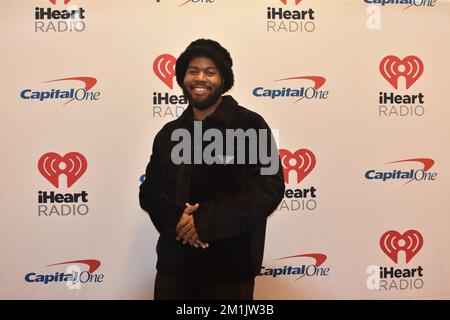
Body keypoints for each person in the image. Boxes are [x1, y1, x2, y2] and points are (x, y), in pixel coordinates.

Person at [139, 39, 285, 300]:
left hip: (230, 270)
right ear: (183, 78)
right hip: (175, 269)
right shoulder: (169, 134)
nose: (200, 78)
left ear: (224, 80)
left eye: (210, 71)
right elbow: (150, 190)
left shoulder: (251, 125)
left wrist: (204, 222)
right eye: (193, 71)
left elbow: (269, 187)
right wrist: (178, 220)